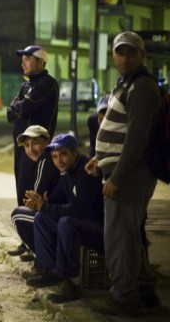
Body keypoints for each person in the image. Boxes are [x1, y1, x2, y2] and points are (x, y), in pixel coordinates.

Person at [85, 31, 161, 316]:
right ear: (113, 55)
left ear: (142, 55)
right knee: (130, 234)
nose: (125, 57)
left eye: (131, 52)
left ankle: (123, 297)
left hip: (131, 175)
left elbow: (137, 139)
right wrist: (99, 158)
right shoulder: (127, 83)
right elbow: (120, 131)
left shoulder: (142, 87)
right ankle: (143, 290)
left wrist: (116, 176)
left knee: (119, 236)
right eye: (120, 52)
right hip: (123, 170)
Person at [21, 134, 104, 305]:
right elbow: (54, 199)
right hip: (81, 225)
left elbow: (78, 210)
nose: (59, 160)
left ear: (75, 152)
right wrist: (40, 202)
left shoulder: (86, 170)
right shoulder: (66, 172)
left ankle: (70, 282)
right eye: (54, 157)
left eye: (64, 154)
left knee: (66, 222)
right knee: (42, 218)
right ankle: (49, 271)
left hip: (100, 231)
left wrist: (45, 206)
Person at [6, 45, 59, 206]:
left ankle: (33, 229)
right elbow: (10, 113)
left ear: (41, 62)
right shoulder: (26, 85)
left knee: (33, 195)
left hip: (37, 149)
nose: (23, 64)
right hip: (22, 147)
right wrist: (19, 108)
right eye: (23, 60)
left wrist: (19, 108)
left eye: (28, 59)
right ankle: (23, 225)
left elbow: (25, 106)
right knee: (21, 191)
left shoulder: (48, 83)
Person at [8, 125, 59, 257]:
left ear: (47, 142)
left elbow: (36, 197)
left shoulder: (46, 159)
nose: (31, 149)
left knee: (17, 216)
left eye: (35, 143)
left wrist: (35, 202)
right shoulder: (47, 157)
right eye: (26, 145)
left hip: (59, 215)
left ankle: (43, 260)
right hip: (58, 212)